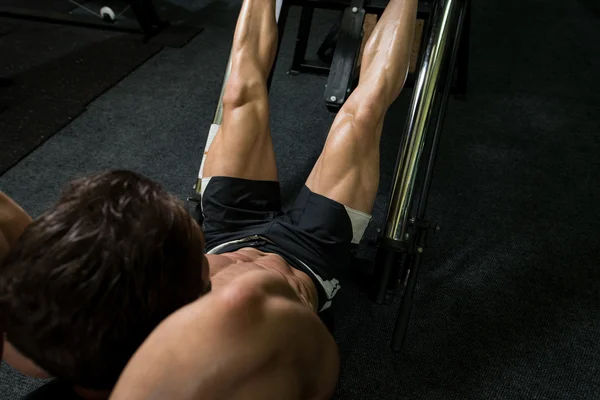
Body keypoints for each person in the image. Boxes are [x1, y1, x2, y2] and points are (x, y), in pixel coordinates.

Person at [0, 0, 418, 396]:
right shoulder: (228, 338)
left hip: (231, 231)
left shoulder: (45, 317)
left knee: (238, 92)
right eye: (199, 260)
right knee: (360, 115)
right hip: (311, 254)